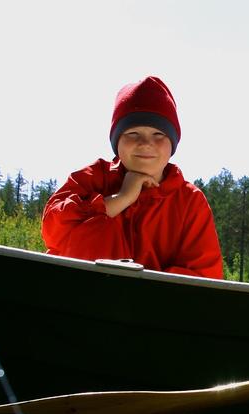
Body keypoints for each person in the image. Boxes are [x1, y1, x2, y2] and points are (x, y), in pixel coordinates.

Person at [42, 76, 224, 280]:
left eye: (158, 134)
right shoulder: (92, 178)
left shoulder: (190, 201)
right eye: (133, 133)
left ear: (172, 144)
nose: (146, 143)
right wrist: (121, 198)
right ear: (117, 140)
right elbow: (54, 233)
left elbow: (203, 277)